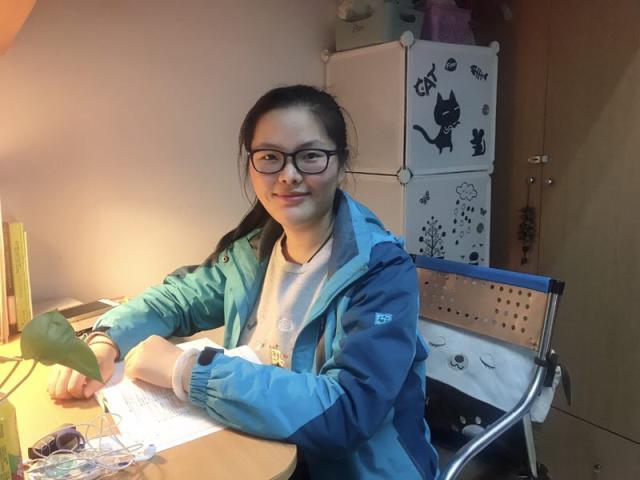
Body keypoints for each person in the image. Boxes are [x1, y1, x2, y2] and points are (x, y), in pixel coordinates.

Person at [48, 85, 439, 479]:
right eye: (270, 157)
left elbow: (348, 413)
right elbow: (177, 299)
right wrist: (106, 340)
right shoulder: (253, 253)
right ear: (251, 165)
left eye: (310, 156)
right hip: (268, 453)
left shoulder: (381, 272)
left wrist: (185, 370)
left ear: (340, 163)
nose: (288, 175)